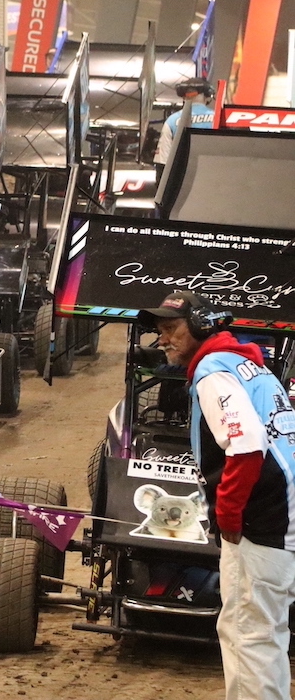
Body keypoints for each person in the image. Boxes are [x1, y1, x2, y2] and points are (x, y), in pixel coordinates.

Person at [138, 291, 295, 700]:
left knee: (249, 631)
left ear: (202, 326)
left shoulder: (212, 370)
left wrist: (227, 516)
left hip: (266, 515)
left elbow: (245, 447)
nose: (163, 339)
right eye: (159, 332)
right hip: (283, 508)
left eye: (171, 329)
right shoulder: (245, 363)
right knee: (260, 627)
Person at [154, 77, 214, 182]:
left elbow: (162, 162)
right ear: (208, 96)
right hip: (213, 179)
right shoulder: (219, 117)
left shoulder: (172, 121)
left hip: (182, 182)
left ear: (184, 96)